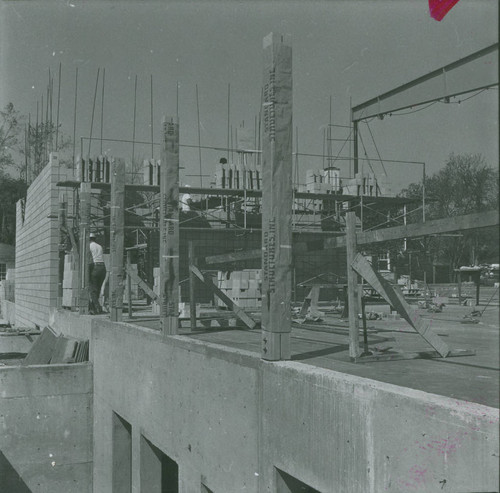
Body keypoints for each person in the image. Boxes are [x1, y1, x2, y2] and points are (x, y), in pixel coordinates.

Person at [88, 232, 106, 314]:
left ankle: (97, 308)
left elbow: (89, 259)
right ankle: (94, 307)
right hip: (102, 268)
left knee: (92, 290)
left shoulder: (89, 246)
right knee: (98, 289)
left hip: (95, 267)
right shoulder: (100, 246)